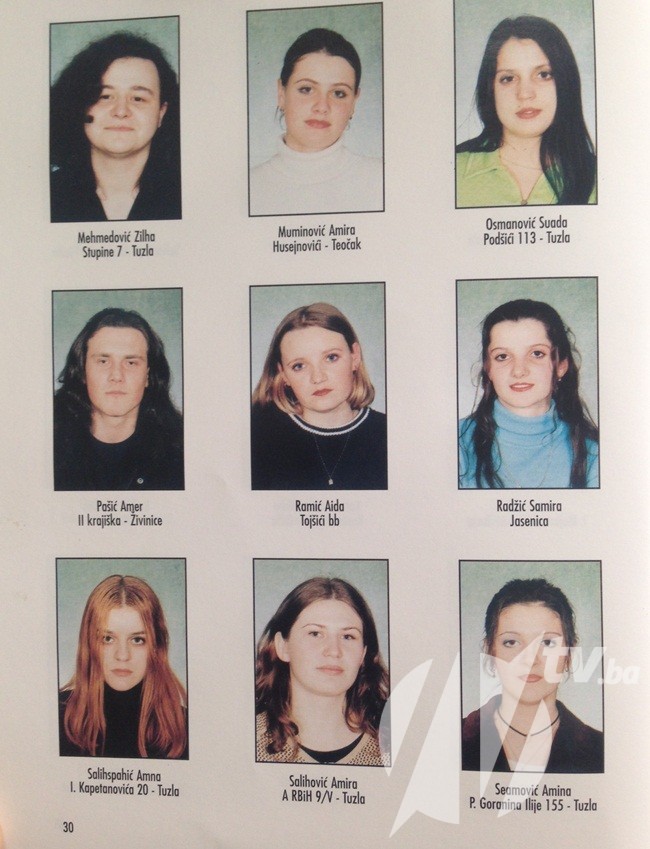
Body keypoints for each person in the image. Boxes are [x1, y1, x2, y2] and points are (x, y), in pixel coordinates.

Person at [462, 578, 603, 773]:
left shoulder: (600, 750)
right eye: (512, 642)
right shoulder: (453, 740)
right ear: (490, 651)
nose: (530, 660)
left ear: (569, 653)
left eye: (547, 643)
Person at [456, 15, 596, 207]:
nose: (525, 94)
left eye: (543, 75)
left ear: (565, 82)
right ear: (490, 89)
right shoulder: (452, 170)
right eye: (508, 78)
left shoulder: (600, 177)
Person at [458, 299, 598, 488]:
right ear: (488, 368)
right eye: (502, 356)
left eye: (537, 354)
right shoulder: (455, 444)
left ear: (561, 366)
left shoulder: (594, 452)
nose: (519, 371)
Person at [251, 302, 387, 489]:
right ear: (283, 374)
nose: (318, 377)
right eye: (299, 366)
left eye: (331, 357)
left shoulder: (389, 433)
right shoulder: (259, 438)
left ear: (354, 357)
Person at [256, 576, 389, 765]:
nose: (334, 651)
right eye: (315, 633)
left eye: (348, 636)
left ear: (363, 654)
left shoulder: (392, 743)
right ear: (283, 647)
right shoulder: (247, 742)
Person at [249, 28, 383, 215]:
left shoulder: (381, 179)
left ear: (354, 101)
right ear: (281, 93)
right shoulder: (250, 186)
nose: (322, 106)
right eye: (306, 89)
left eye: (339, 93)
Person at [50, 31, 181, 222]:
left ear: (161, 113)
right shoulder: (47, 195)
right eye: (105, 96)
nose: (121, 111)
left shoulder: (188, 193)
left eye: (138, 98)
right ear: (80, 106)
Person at [54, 307, 184, 490]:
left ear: (148, 376)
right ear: (82, 371)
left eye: (131, 363)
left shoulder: (182, 453)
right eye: (103, 361)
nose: (116, 376)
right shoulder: (47, 448)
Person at [59, 575, 188, 758]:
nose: (122, 655)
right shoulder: (56, 715)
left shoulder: (184, 728)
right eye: (107, 639)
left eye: (137, 640)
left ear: (156, 646)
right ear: (89, 643)